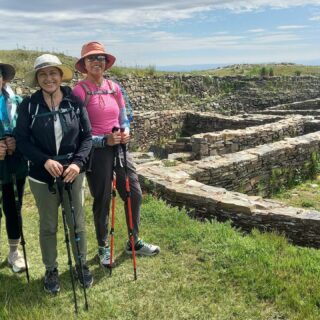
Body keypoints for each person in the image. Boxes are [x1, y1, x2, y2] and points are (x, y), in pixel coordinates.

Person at [73, 41, 160, 268]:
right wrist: (103, 140)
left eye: (100, 58)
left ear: (106, 62)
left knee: (134, 193)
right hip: (97, 152)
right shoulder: (79, 91)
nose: (97, 62)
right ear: (84, 64)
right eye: (91, 59)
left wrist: (126, 132)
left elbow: (124, 117)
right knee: (101, 199)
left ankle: (134, 240)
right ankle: (103, 247)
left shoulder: (114, 87)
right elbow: (78, 132)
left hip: (120, 148)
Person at [15, 54, 93, 294]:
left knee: (76, 223)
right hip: (41, 175)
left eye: (53, 73)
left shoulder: (74, 102)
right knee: (48, 225)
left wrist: (78, 163)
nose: (49, 78)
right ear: (38, 79)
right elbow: (22, 141)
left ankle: (81, 263)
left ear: (61, 76)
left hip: (72, 173)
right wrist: (44, 160)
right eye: (43, 74)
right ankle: (51, 269)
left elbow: (86, 137)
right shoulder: (29, 105)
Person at [0, 61, 28, 273]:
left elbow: (27, 131)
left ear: (4, 79)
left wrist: (16, 141)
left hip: (15, 163)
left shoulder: (17, 102)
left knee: (13, 207)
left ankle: (13, 253)